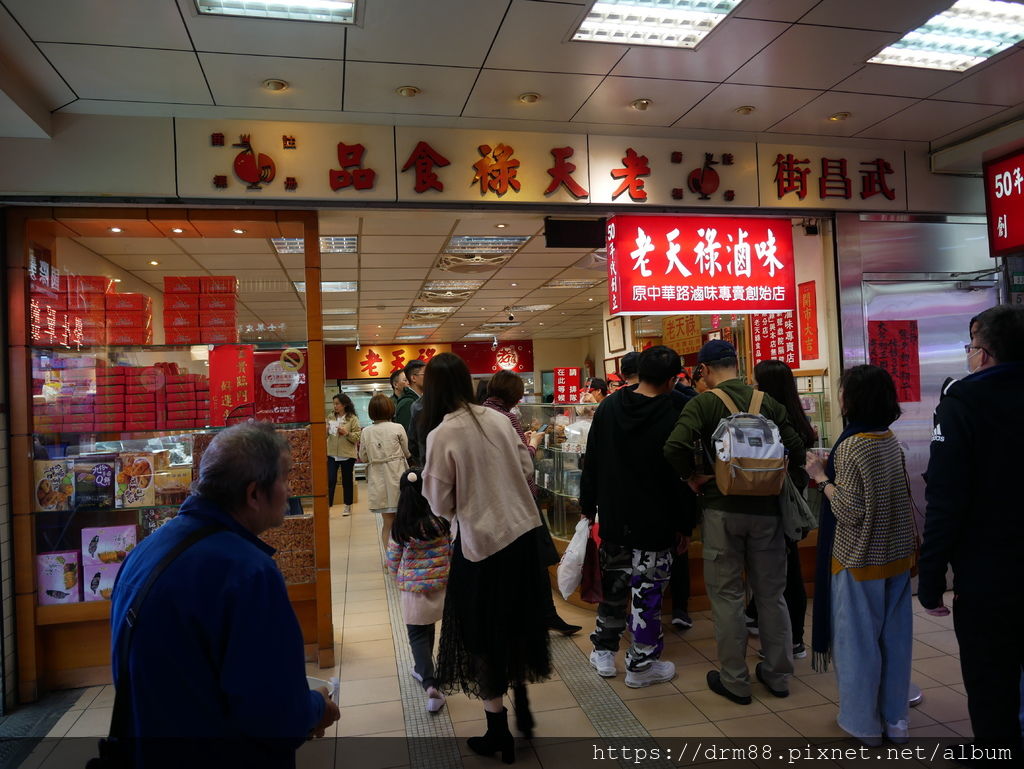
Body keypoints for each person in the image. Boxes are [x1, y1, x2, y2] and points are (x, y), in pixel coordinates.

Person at [109, 422, 339, 768]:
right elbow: (275, 716)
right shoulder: (248, 573)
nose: (289, 490)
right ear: (253, 494)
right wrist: (318, 706)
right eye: (285, 479)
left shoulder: (145, 552)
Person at [421, 353, 552, 763]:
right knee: (519, 623)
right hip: (524, 537)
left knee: (482, 637)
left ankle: (498, 731)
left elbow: (439, 502)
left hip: (481, 549)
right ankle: (524, 710)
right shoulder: (496, 417)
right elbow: (527, 465)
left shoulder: (442, 434)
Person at [664, 340, 805, 705]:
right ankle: (777, 675)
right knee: (772, 596)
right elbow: (798, 444)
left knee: (726, 597)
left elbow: (674, 446)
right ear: (737, 364)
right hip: (769, 513)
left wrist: (692, 478)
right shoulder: (767, 402)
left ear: (706, 370)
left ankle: (735, 680)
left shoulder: (705, 402)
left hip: (721, 510)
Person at [919, 305, 1024, 762]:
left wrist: (930, 576)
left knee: (991, 683)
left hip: (989, 577)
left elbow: (946, 498)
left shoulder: (961, 405)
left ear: (984, 353)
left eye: (971, 346)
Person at [804, 365, 914, 746]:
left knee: (858, 645)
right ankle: (896, 721)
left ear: (852, 399)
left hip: (857, 557)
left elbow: (849, 510)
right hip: (897, 555)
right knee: (896, 642)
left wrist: (821, 477)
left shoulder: (851, 445)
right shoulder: (887, 437)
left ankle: (863, 725)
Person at [581, 346, 695, 688]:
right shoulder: (677, 409)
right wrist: (685, 523)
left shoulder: (610, 406)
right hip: (656, 521)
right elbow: (682, 475)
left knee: (613, 586)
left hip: (615, 516)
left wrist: (588, 506)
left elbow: (593, 460)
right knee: (648, 593)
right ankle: (641, 665)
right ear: (673, 380)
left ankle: (604, 652)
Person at [483, 370, 582, 637]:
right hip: (521, 500)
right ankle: (544, 615)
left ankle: (528, 615)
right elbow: (522, 464)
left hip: (495, 501)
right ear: (513, 395)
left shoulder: (480, 415)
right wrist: (533, 442)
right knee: (538, 557)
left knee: (518, 561)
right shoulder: (508, 418)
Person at [745, 360, 817, 658]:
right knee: (779, 567)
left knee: (786, 572)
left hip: (777, 502)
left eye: (755, 382)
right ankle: (758, 616)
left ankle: (794, 640)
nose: (752, 387)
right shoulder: (796, 415)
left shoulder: (772, 416)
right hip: (787, 500)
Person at [386, 470, 451, 714]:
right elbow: (449, 550)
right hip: (438, 586)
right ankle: (423, 668)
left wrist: (397, 578)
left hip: (414, 590)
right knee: (428, 626)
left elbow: (393, 559)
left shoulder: (401, 527)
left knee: (416, 633)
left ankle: (430, 684)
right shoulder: (439, 522)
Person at [358, 393, 410, 546]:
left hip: (378, 477)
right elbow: (407, 452)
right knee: (403, 518)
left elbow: (363, 457)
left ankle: (389, 560)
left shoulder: (366, 431)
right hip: (397, 474)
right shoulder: (398, 427)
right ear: (390, 409)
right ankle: (404, 556)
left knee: (387, 522)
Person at [327, 393, 361, 516]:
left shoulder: (352, 418)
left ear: (344, 405)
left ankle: (348, 505)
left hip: (347, 455)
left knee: (347, 481)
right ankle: (328, 506)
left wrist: (346, 433)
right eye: (334, 404)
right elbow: (326, 435)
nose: (335, 406)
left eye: (337, 404)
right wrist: (326, 430)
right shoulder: (330, 416)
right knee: (330, 480)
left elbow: (357, 436)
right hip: (331, 453)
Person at [395, 359, 425, 433]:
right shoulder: (408, 403)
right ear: (413, 378)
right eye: (425, 374)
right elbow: (407, 435)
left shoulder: (418, 399)